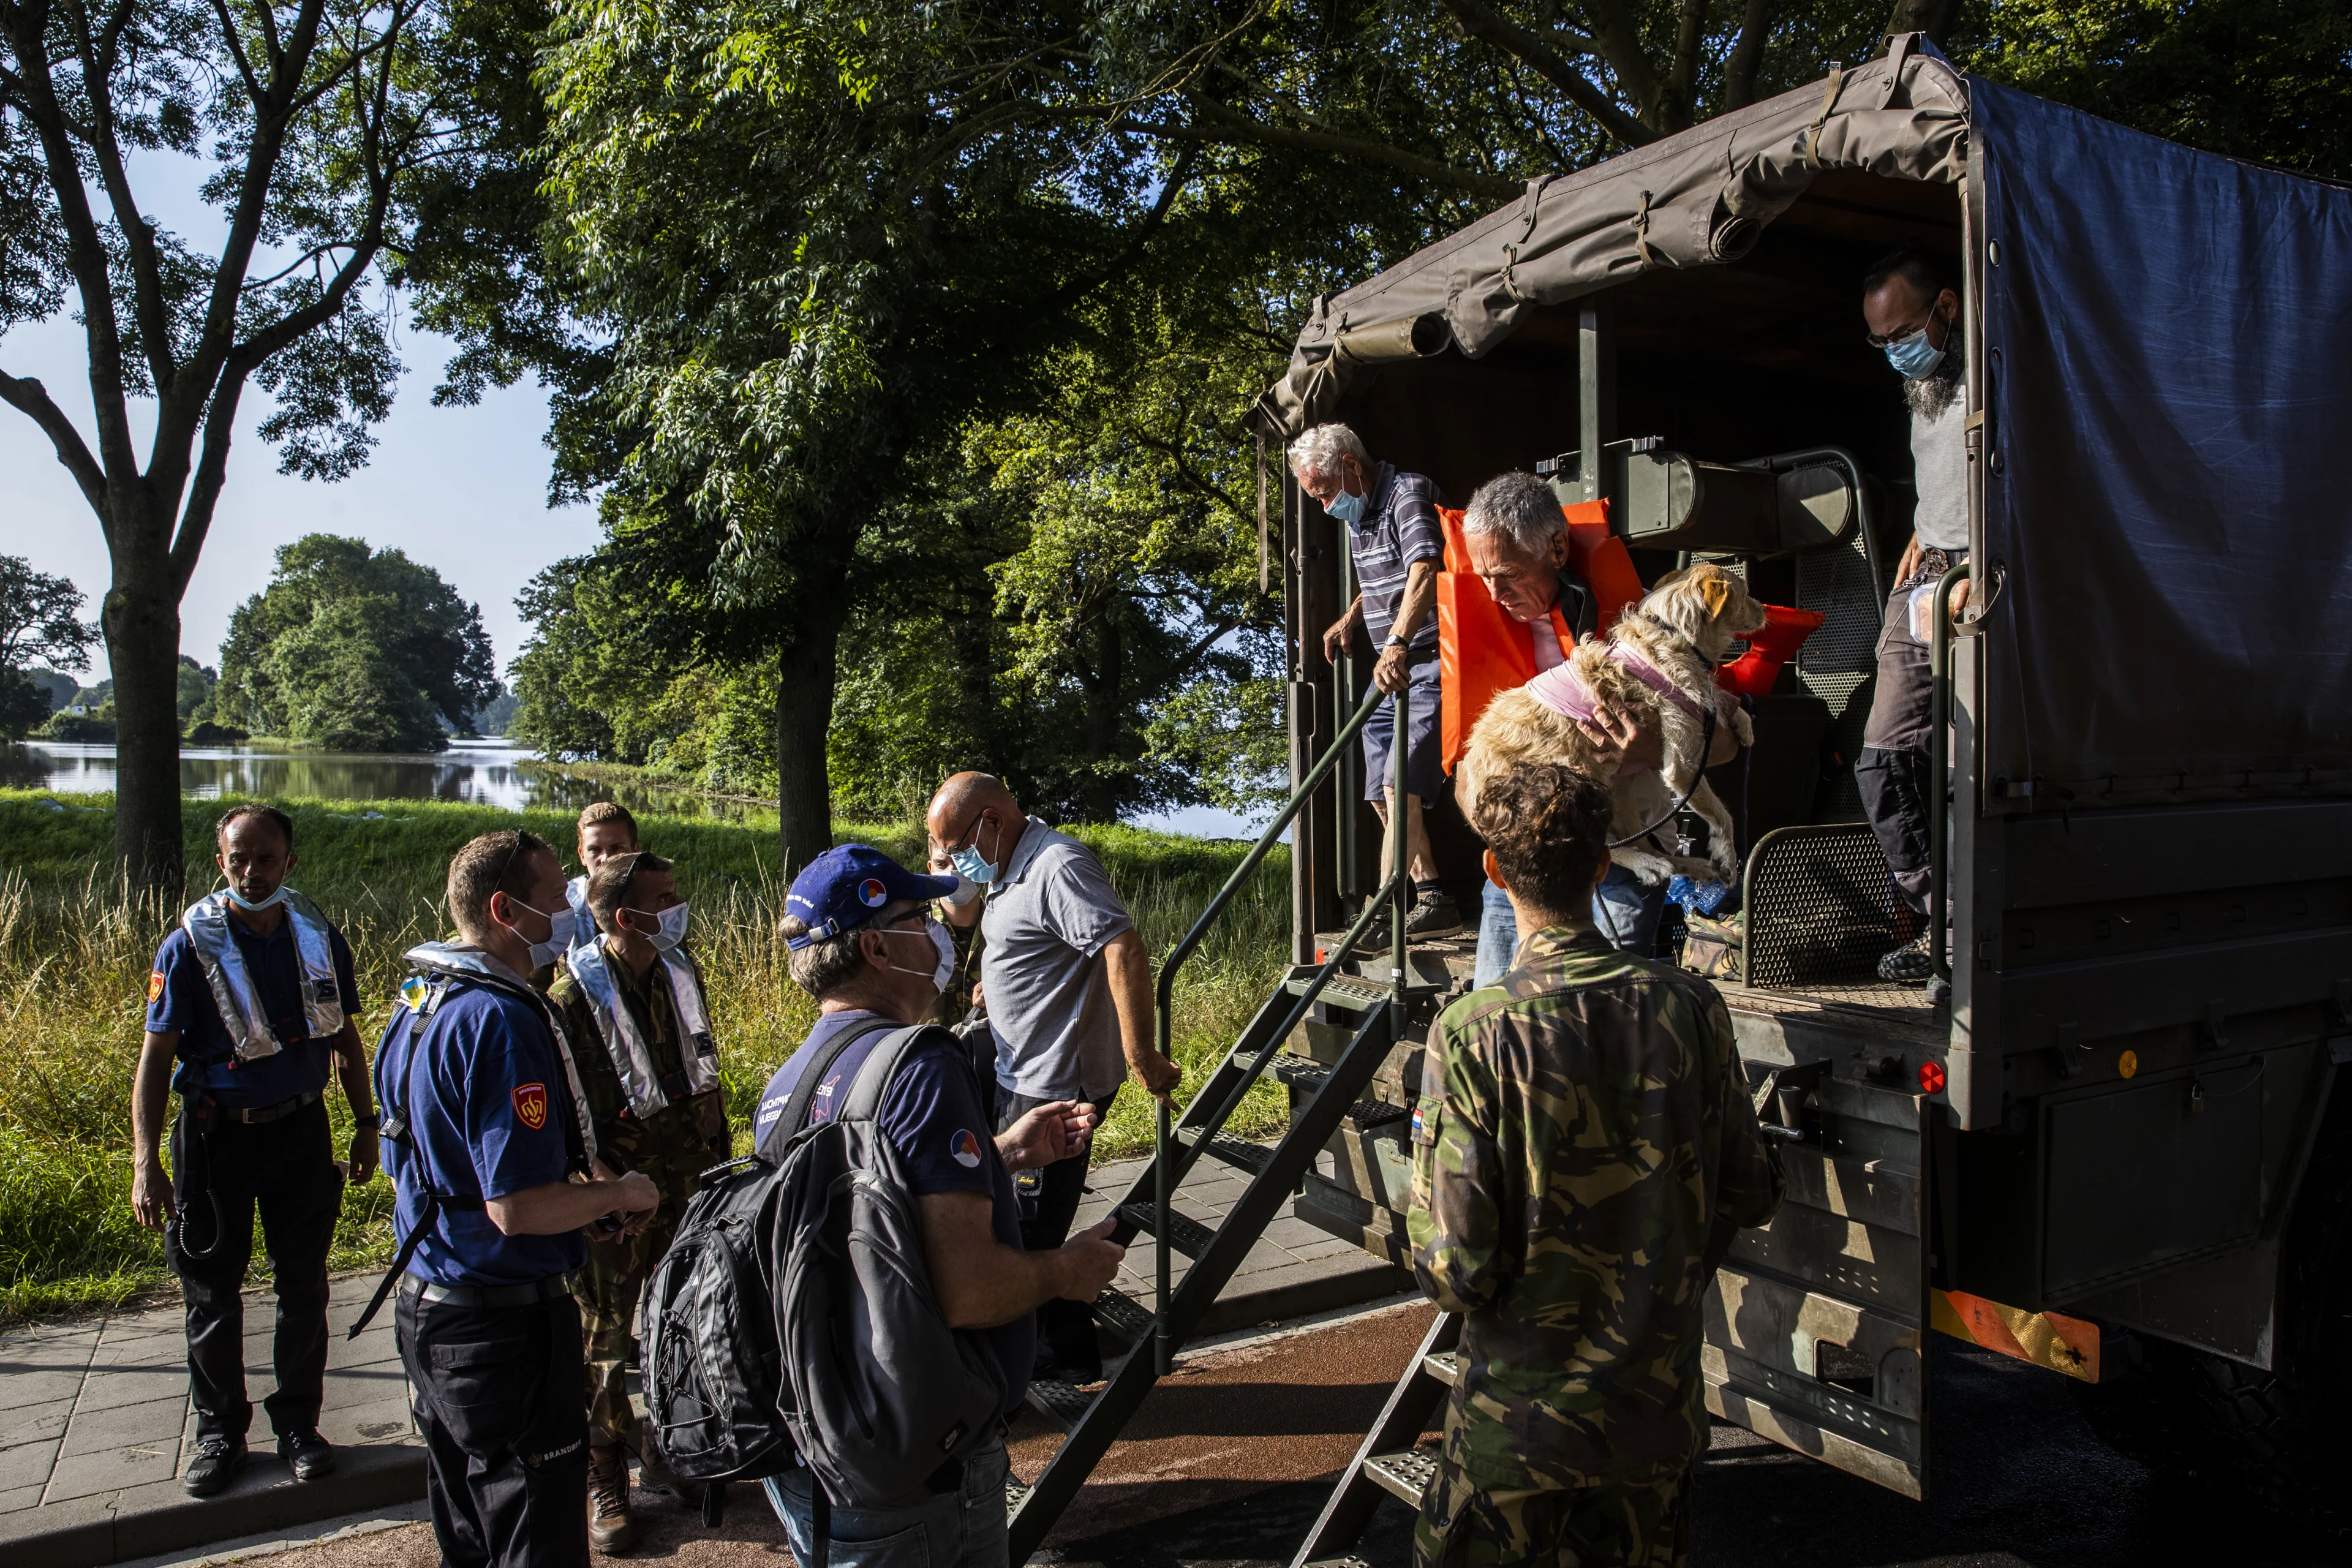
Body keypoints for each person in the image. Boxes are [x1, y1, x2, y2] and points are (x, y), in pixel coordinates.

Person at [1409, 760, 1781, 1568]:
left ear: (1494, 870)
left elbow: (1457, 1270)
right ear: (1604, 865)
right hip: (1654, 1432)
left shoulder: (1474, 1033)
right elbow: (1749, 1192)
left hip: (1519, 1440)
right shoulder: (1692, 1008)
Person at [753, 844, 1123, 1568]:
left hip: (821, 1441)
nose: (940, 933)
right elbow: (967, 1288)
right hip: (916, 1465)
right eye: (920, 917)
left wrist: (1000, 1154)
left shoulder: (791, 1081)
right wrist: (1066, 1271)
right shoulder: (919, 1064)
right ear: (877, 945)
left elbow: (867, 1208)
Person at [378, 829, 660, 1568]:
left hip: (430, 1306)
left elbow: (407, 1152)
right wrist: (622, 1191)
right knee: (535, 1540)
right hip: (504, 1330)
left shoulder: (417, 997)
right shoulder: (501, 1019)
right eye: (555, 897)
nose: (571, 908)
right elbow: (518, 1207)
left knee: (469, 1532)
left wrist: (583, 1205)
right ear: (505, 910)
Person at [131, 802, 375, 1496]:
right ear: (221, 862)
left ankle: (299, 1425)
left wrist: (364, 1123)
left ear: (289, 863)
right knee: (211, 1292)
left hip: (299, 1132)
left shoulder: (317, 936)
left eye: (266, 858)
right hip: (215, 1141)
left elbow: (345, 1041)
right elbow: (154, 1062)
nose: (252, 871)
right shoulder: (188, 947)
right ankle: (219, 1434)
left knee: (303, 1285)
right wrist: (146, 1163)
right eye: (238, 858)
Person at [926, 771, 1180, 1383]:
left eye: (957, 844)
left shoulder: (1057, 863)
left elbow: (1122, 949)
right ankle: (1057, 1350)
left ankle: (1056, 1364)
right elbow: (965, 918)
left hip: (1053, 1081)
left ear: (991, 820)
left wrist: (1142, 1055)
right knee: (1020, 1222)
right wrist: (1002, 978)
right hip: (1022, 1066)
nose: (956, 859)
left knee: (1029, 1236)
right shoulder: (1008, 863)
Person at [1460, 472, 1744, 982]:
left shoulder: (1652, 622)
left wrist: (1650, 744)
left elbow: (1721, 747)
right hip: (1520, 868)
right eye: (1483, 576)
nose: (1493, 592)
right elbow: (1465, 774)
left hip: (1622, 865)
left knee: (1596, 1020)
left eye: (1506, 573)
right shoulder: (1473, 635)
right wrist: (1506, 834)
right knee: (1495, 1010)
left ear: (1558, 548)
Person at [549, 849, 731, 1551]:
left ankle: (666, 1449)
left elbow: (706, 1078)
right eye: (665, 898)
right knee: (604, 1336)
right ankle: (605, 1476)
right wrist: (592, 1194)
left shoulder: (681, 973)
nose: (678, 908)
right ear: (626, 917)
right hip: (615, 1200)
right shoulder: (571, 1000)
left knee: (673, 1324)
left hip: (685, 1185)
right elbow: (569, 1116)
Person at [1288, 421, 1463, 941]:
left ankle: (1383, 912)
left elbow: (1426, 570)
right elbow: (1386, 577)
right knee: (1378, 793)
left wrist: (1397, 643)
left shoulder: (1406, 494)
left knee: (1400, 782)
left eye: (1324, 494)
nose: (1324, 508)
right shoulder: (1360, 510)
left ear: (1351, 468)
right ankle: (1433, 897)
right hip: (1396, 664)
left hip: (1429, 658)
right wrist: (1353, 617)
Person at [1858, 247, 1972, 982]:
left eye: (1903, 329)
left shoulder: (1996, 373)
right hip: (1927, 572)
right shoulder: (1924, 390)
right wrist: (1921, 532)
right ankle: (1943, 916)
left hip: (1977, 579)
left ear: (1947, 308)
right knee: (1884, 757)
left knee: (1966, 767)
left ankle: (1961, 937)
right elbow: (1944, 478)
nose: (1896, 349)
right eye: (1880, 340)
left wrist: (1973, 559)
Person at [564, 801, 640, 954]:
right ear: (582, 856)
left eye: (617, 848)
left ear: (635, 851)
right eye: (595, 850)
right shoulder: (562, 905)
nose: (605, 858)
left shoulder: (657, 902)